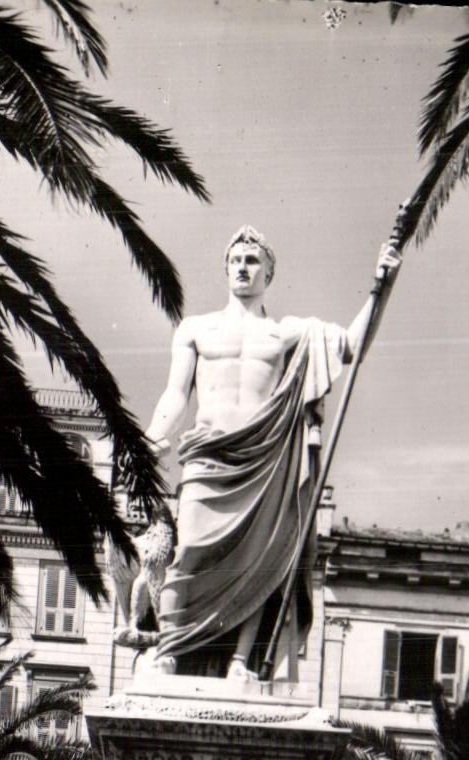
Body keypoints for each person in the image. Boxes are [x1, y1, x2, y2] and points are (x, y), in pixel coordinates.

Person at [143, 224, 402, 679]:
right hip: (208, 453)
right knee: (189, 554)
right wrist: (150, 441)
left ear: (269, 274)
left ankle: (241, 662)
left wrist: (382, 285)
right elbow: (175, 397)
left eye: (252, 260)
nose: (242, 267)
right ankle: (169, 649)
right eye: (235, 260)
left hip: (264, 461)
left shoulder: (288, 335)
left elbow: (352, 347)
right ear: (225, 269)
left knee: (260, 562)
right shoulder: (195, 329)